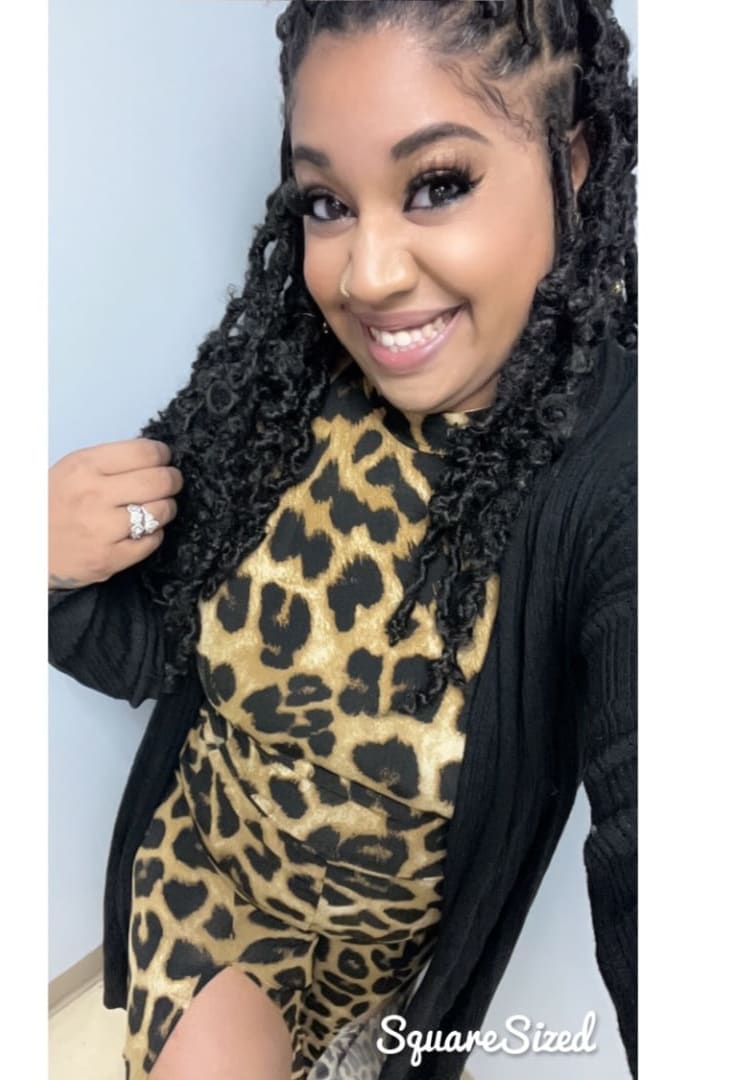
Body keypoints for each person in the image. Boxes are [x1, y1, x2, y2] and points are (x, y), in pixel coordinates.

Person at [48, 1, 637, 1078]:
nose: (365, 277)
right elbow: (149, 652)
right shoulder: (281, 386)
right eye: (326, 202)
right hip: (214, 895)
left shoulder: (625, 478)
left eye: (438, 184)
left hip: (395, 984)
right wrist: (40, 566)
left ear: (573, 161)